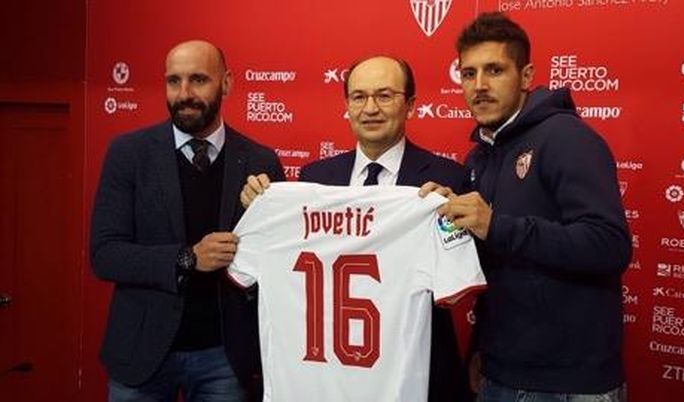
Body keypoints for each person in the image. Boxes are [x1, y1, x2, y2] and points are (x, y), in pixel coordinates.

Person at [419, 12, 632, 402]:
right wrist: (446, 217)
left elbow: (609, 245)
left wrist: (496, 225)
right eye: (468, 74)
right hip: (500, 372)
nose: (479, 86)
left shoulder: (566, 138)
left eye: (495, 70)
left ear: (526, 75)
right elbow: (496, 268)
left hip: (568, 385)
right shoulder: (479, 157)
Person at [240, 55, 472, 402]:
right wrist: (262, 209)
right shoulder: (314, 179)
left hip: (411, 373)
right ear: (347, 106)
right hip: (325, 374)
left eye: (384, 95)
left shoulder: (447, 180)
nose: (370, 108)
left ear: (410, 105)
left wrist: (451, 221)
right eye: (359, 97)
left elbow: (462, 279)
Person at [90, 40, 285, 402]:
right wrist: (188, 257)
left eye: (198, 79)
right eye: (173, 81)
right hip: (142, 352)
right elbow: (105, 254)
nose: (184, 94)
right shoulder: (128, 154)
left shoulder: (261, 161)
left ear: (226, 83)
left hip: (226, 358)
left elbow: (278, 263)